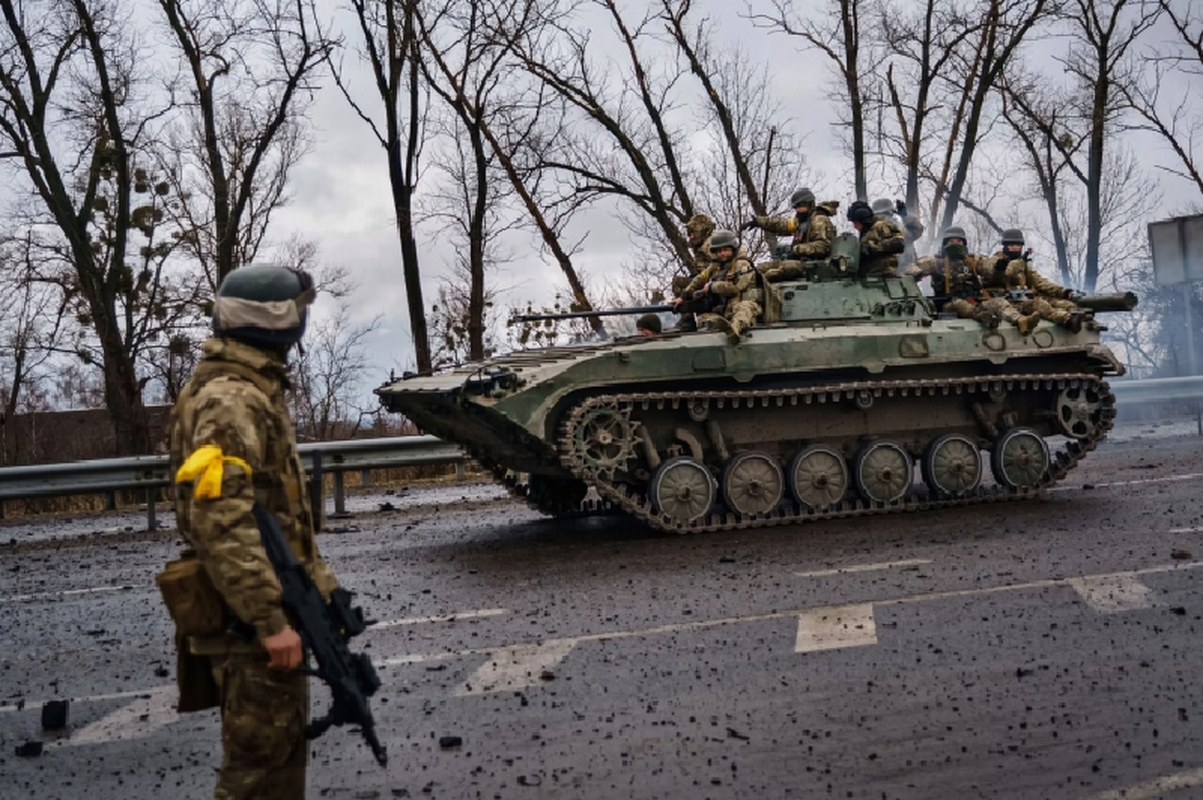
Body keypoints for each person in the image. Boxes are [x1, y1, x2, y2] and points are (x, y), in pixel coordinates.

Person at [163, 264, 343, 800]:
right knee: (257, 774)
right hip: (251, 618)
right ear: (279, 321)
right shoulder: (231, 398)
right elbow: (223, 521)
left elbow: (278, 520)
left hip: (267, 601)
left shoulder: (247, 388)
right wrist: (268, 619)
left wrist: (322, 595)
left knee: (277, 760)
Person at [906, 226, 1017, 330]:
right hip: (948, 305)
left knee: (999, 302)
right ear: (945, 243)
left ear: (964, 243)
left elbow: (988, 268)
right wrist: (917, 273)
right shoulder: (935, 261)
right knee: (958, 304)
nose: (955, 244)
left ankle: (1020, 320)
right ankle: (983, 316)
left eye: (959, 241)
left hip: (974, 301)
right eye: (952, 241)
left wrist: (999, 266)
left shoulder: (972, 261)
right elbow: (912, 268)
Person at [988, 228, 1085, 333]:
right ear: (1005, 246)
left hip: (1024, 298)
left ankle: (1074, 315)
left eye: (1018, 245)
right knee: (1040, 305)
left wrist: (1062, 291)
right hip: (1007, 302)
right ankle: (1066, 320)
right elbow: (1004, 276)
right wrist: (1019, 262)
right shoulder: (996, 262)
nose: (1015, 248)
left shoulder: (1023, 263)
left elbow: (1039, 282)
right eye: (1011, 245)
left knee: (1061, 303)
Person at [676, 229, 762, 344]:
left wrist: (712, 286)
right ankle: (720, 327)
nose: (722, 254)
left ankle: (734, 330)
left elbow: (734, 289)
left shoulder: (741, 264)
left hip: (746, 307)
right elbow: (700, 279)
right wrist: (684, 296)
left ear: (733, 249)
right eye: (719, 251)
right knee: (705, 318)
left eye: (726, 250)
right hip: (726, 310)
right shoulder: (716, 266)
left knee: (743, 308)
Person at [743, 188, 836, 271]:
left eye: (801, 206)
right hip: (801, 263)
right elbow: (780, 224)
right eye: (796, 207)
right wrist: (758, 222)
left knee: (773, 272)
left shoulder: (819, 220)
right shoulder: (802, 220)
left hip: (815, 266)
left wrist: (796, 250)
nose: (798, 210)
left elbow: (823, 246)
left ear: (810, 204)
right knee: (760, 269)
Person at [673, 213, 717, 332]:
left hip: (713, 287)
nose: (691, 237)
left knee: (678, 282)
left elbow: (720, 267)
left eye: (694, 233)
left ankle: (687, 321)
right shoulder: (703, 244)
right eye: (689, 234)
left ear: (702, 230)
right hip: (707, 283)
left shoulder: (710, 244)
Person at [846, 200, 905, 277]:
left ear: (864, 221)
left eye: (856, 223)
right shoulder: (866, 232)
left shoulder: (881, 225)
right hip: (870, 274)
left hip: (883, 272)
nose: (855, 226)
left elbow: (899, 243)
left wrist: (873, 248)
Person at [871, 197, 925, 270]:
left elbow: (918, 230)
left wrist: (905, 217)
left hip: (906, 269)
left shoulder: (900, 229)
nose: (885, 219)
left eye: (887, 215)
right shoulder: (873, 232)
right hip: (885, 271)